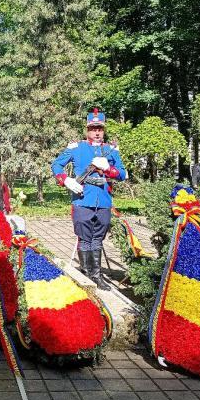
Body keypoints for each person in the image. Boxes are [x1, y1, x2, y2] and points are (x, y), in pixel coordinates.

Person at [51, 109, 127, 290]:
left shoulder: (110, 150)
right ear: (87, 130)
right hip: (82, 199)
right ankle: (87, 274)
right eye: (93, 128)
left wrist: (109, 169)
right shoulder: (77, 148)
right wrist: (66, 180)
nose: (97, 132)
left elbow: (123, 174)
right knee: (85, 238)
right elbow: (56, 164)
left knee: (98, 239)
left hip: (103, 200)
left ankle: (97, 274)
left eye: (99, 128)